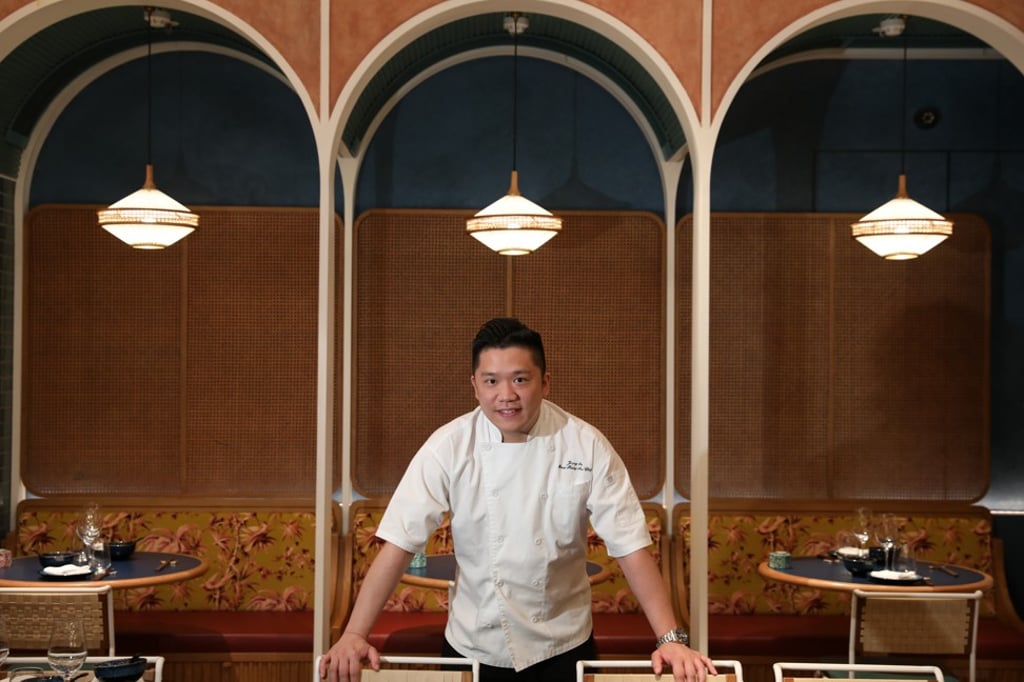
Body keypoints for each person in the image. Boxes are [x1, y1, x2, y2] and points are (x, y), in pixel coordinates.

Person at [320, 318, 715, 682]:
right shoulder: (449, 446)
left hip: (563, 647)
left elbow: (630, 545)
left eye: (520, 379)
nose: (505, 395)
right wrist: (354, 633)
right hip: (473, 646)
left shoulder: (586, 445)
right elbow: (400, 542)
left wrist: (671, 639)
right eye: (491, 381)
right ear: (474, 385)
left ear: (545, 383)